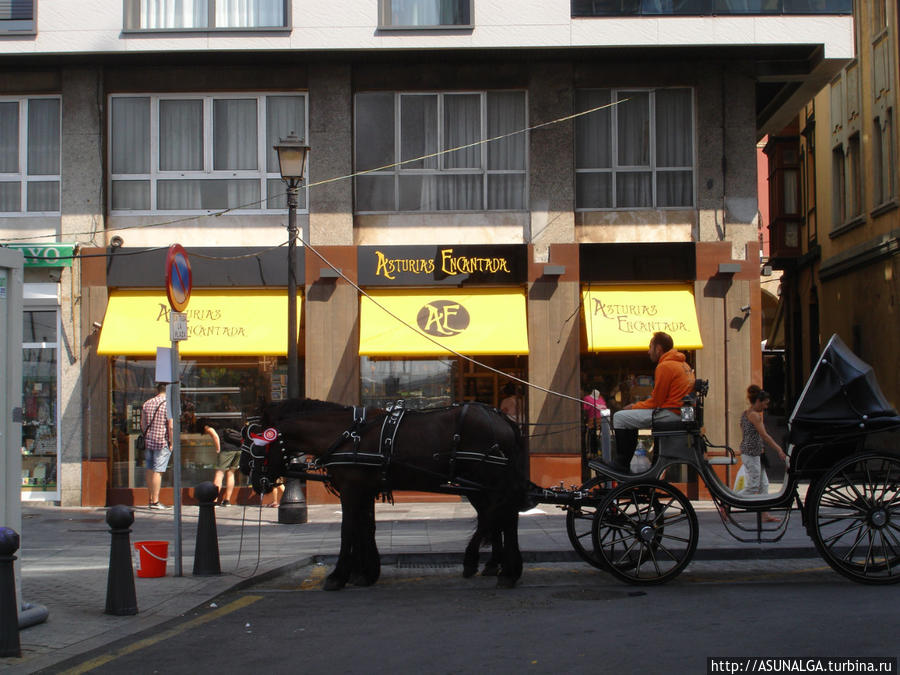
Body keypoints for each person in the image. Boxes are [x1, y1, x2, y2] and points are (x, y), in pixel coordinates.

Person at [612, 331, 695, 472]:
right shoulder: (683, 365)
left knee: (619, 417)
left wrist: (633, 407)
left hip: (671, 414)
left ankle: (622, 465)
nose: (648, 351)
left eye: (650, 347)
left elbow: (656, 402)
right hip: (681, 414)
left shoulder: (665, 366)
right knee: (627, 418)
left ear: (658, 349)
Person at [739, 385, 788, 522]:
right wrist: (779, 449)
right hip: (751, 454)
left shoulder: (746, 413)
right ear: (759, 401)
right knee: (754, 485)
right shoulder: (754, 416)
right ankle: (728, 504)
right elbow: (765, 435)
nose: (766, 407)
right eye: (765, 404)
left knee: (764, 485)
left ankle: (764, 514)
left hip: (753, 453)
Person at [141, 383, 173, 510]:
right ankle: (155, 501)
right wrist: (171, 442)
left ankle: (150, 498)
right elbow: (170, 426)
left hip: (148, 441)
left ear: (157, 390)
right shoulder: (168, 404)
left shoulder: (147, 403)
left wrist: (147, 435)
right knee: (158, 471)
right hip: (161, 441)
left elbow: (143, 425)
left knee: (150, 469)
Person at [198, 418, 242, 507]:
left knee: (219, 474)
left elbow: (215, 436)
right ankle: (227, 500)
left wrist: (218, 449)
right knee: (231, 474)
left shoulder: (209, 428)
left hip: (226, 451)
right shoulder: (222, 426)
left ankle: (214, 500)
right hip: (237, 449)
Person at [582, 388, 607, 457]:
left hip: (603, 422)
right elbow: (585, 410)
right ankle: (591, 453)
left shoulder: (601, 399)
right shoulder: (587, 398)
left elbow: (605, 409)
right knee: (592, 437)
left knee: (602, 438)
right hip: (592, 422)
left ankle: (602, 452)